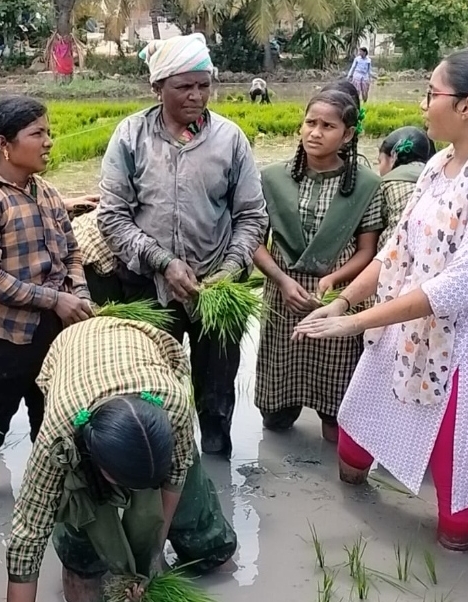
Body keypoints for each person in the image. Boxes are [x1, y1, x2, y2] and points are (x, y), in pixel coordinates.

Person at [293, 47, 468, 551]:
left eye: (432, 93)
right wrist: (343, 304)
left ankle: (456, 569)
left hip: (463, 354)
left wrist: (355, 324)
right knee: (353, 441)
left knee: (453, 494)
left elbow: (456, 288)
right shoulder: (438, 165)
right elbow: (394, 250)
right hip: (404, 333)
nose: (424, 103)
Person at [97, 33, 268, 456]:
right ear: (158, 88)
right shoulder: (131, 137)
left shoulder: (230, 140)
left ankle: (214, 456)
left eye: (203, 85)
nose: (196, 96)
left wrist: (228, 271)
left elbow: (252, 216)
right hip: (148, 289)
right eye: (183, 86)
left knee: (216, 390)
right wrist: (163, 262)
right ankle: (162, 464)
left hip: (217, 290)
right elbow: (111, 216)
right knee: (151, 388)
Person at [4, 317, 237, 602]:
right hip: (75, 355)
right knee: (81, 543)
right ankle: (83, 572)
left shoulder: (173, 405)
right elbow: (29, 533)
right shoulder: (60, 435)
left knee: (201, 527)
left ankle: (212, 552)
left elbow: (176, 475)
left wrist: (152, 557)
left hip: (137, 348)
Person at [0, 96, 94, 498]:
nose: (49, 141)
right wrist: (54, 301)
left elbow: (72, 252)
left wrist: (78, 294)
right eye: (38, 134)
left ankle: (49, 497)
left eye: (48, 132)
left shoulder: (47, 192)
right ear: (4, 144)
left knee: (52, 422)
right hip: (1, 337)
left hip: (55, 333)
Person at [254, 89, 384, 443]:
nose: (315, 132)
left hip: (336, 295)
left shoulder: (367, 186)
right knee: (276, 417)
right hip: (284, 293)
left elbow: (367, 251)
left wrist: (333, 280)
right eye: (310, 123)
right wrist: (281, 280)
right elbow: (253, 241)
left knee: (334, 418)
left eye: (328, 126)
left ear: (348, 134)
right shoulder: (271, 178)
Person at [375, 126, 436, 249]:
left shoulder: (386, 185)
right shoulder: (442, 179)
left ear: (393, 158)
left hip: (392, 254)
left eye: (380, 161)